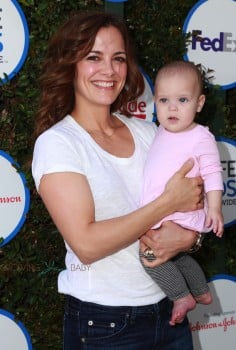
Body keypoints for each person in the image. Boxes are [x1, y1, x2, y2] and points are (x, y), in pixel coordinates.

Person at [32, 12, 204, 350]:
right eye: (94, 57)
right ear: (71, 64)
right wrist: (166, 204)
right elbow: (87, 244)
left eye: (119, 59)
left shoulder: (147, 131)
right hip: (105, 326)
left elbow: (192, 198)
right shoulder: (59, 143)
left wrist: (189, 239)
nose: (109, 71)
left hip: (169, 310)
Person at [140, 60, 224, 327]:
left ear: (199, 104)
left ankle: (181, 296)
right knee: (176, 255)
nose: (172, 107)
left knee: (148, 257)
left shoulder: (200, 137)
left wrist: (214, 207)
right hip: (164, 212)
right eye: (164, 100)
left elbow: (212, 173)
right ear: (155, 101)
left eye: (182, 100)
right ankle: (200, 290)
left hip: (180, 213)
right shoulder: (160, 132)